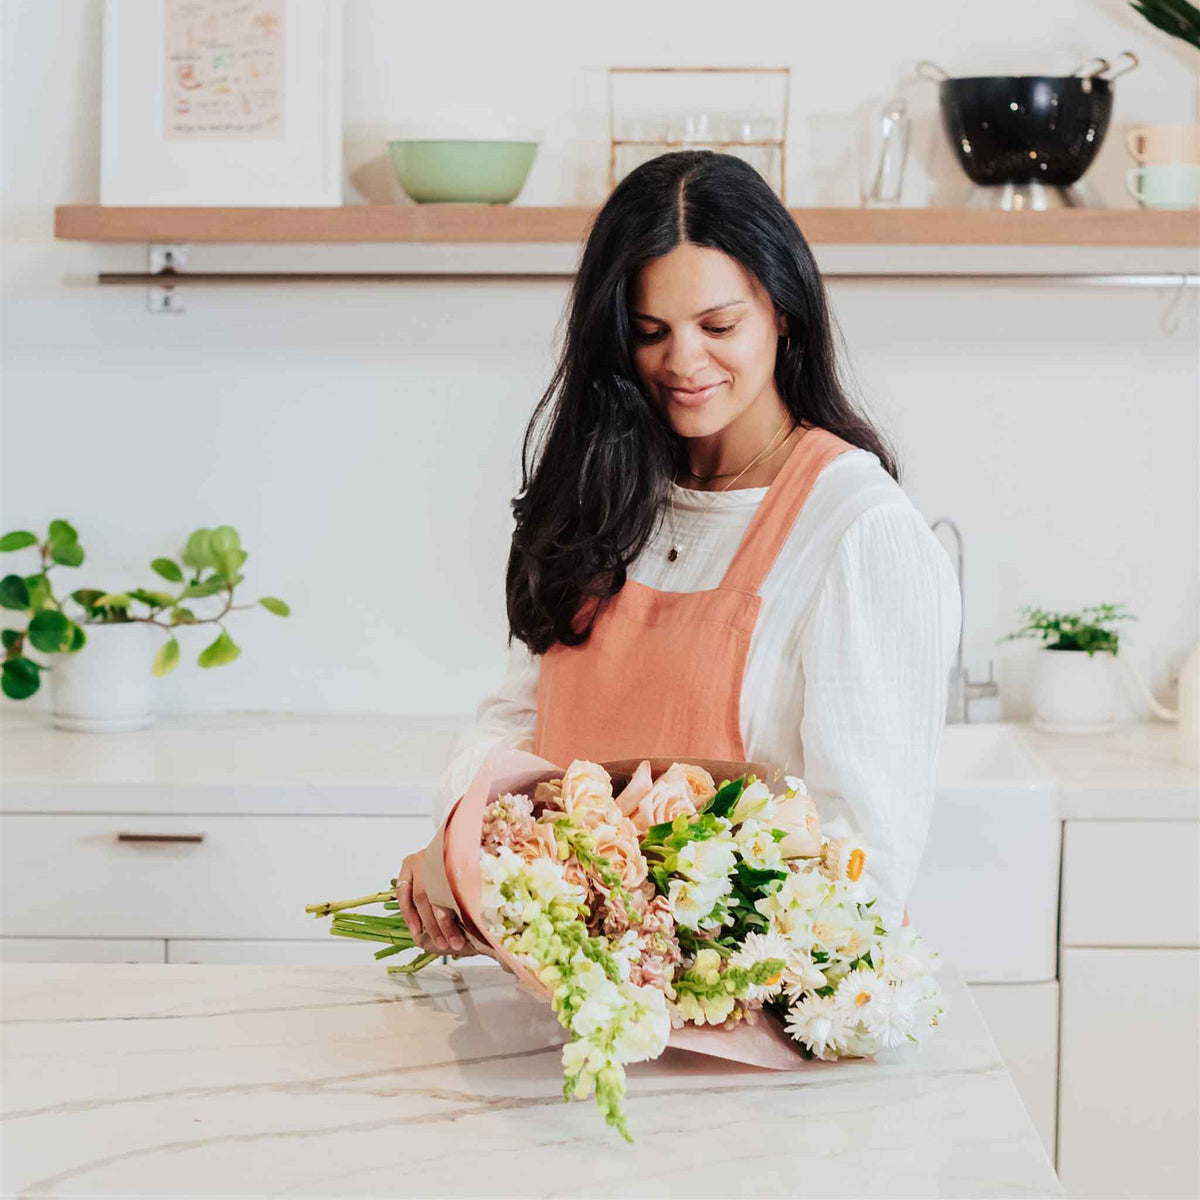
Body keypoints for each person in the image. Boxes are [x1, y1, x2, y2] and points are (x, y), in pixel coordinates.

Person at [395, 150, 961, 958]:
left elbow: (864, 853)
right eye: (650, 332)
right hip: (563, 994)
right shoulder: (608, 491)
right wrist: (462, 845)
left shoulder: (857, 528)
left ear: (785, 313)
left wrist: (676, 966)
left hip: (739, 1021)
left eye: (719, 327)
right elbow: (520, 721)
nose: (683, 364)